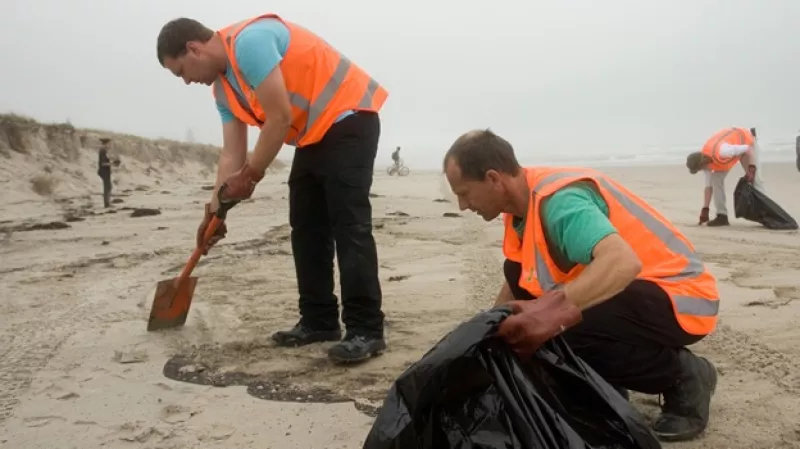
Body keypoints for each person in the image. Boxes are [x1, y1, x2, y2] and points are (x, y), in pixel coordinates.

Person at [443, 129, 720, 443]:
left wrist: (545, 316)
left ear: (494, 179)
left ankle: (684, 374)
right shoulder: (521, 208)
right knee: (529, 299)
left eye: (465, 193)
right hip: (636, 297)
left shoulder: (560, 202)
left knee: (563, 325)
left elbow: (622, 262)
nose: (463, 205)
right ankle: (605, 384)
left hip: (681, 296)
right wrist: (489, 336)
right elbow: (518, 281)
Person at [156, 13, 389, 363]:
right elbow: (231, 153)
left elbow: (278, 118)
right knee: (306, 229)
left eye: (181, 72)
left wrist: (251, 175)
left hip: (350, 115)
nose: (186, 81)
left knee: (349, 226)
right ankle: (319, 320)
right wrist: (214, 212)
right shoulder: (223, 90)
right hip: (313, 134)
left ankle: (366, 329)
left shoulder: (250, 43)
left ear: (194, 48)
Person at [685, 126, 764, 226]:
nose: (701, 171)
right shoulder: (706, 163)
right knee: (716, 179)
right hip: (731, 153)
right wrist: (705, 209)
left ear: (702, 164)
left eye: (698, 169)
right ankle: (722, 216)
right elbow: (708, 187)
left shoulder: (723, 151)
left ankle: (765, 213)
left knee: (755, 180)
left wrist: (751, 170)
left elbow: (748, 150)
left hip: (747, 143)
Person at [97, 138, 113, 208]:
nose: (110, 145)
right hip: (104, 171)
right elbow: (103, 163)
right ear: (106, 144)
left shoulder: (103, 151)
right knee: (108, 187)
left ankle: (107, 203)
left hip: (104, 171)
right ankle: (107, 204)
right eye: (109, 144)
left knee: (108, 187)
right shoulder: (103, 151)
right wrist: (111, 163)